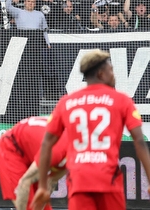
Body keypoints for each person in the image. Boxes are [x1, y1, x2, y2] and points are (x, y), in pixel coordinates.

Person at [34, 49, 150, 210]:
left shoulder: (66, 102)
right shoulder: (122, 100)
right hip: (108, 179)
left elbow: (46, 143)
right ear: (101, 74)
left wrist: (42, 186)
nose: (113, 74)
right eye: (111, 70)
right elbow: (139, 141)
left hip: (79, 180)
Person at [0, 116, 67, 210]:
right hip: (10, 148)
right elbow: (24, 182)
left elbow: (51, 180)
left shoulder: (74, 152)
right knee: (28, 207)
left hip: (30, 151)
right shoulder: (56, 150)